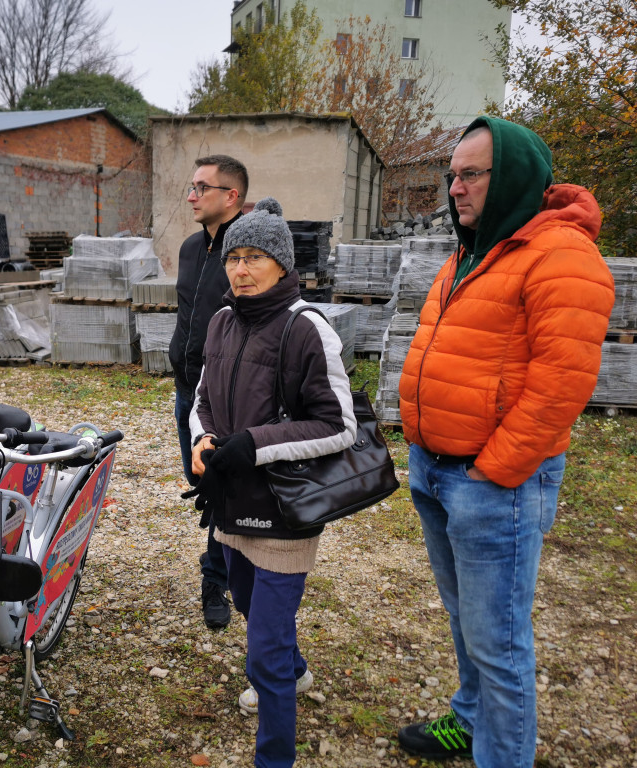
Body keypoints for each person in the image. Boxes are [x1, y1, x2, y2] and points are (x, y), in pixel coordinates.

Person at [396, 116, 615, 767]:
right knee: (469, 625)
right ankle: (471, 719)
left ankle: (503, 754)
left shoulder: (563, 256)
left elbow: (561, 386)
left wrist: (495, 472)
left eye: (470, 174)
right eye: (453, 174)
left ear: (512, 175)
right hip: (438, 469)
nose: (454, 188)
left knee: (499, 642)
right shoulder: (477, 249)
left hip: (492, 483)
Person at [185, 197, 357, 768]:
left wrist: (255, 444)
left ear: (283, 264)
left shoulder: (308, 330)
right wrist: (201, 439)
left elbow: (339, 426)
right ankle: (297, 670)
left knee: (265, 648)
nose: (240, 268)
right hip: (232, 501)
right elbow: (204, 396)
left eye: (255, 256)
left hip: (284, 511)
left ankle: (274, 755)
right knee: (245, 597)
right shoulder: (221, 320)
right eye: (234, 256)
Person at [168, 154, 248, 630]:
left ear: (230, 196)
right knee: (203, 485)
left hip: (226, 397)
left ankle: (216, 576)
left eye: (202, 188)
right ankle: (228, 555)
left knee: (222, 490)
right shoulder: (188, 249)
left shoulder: (247, 254)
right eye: (192, 186)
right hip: (185, 390)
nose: (193, 196)